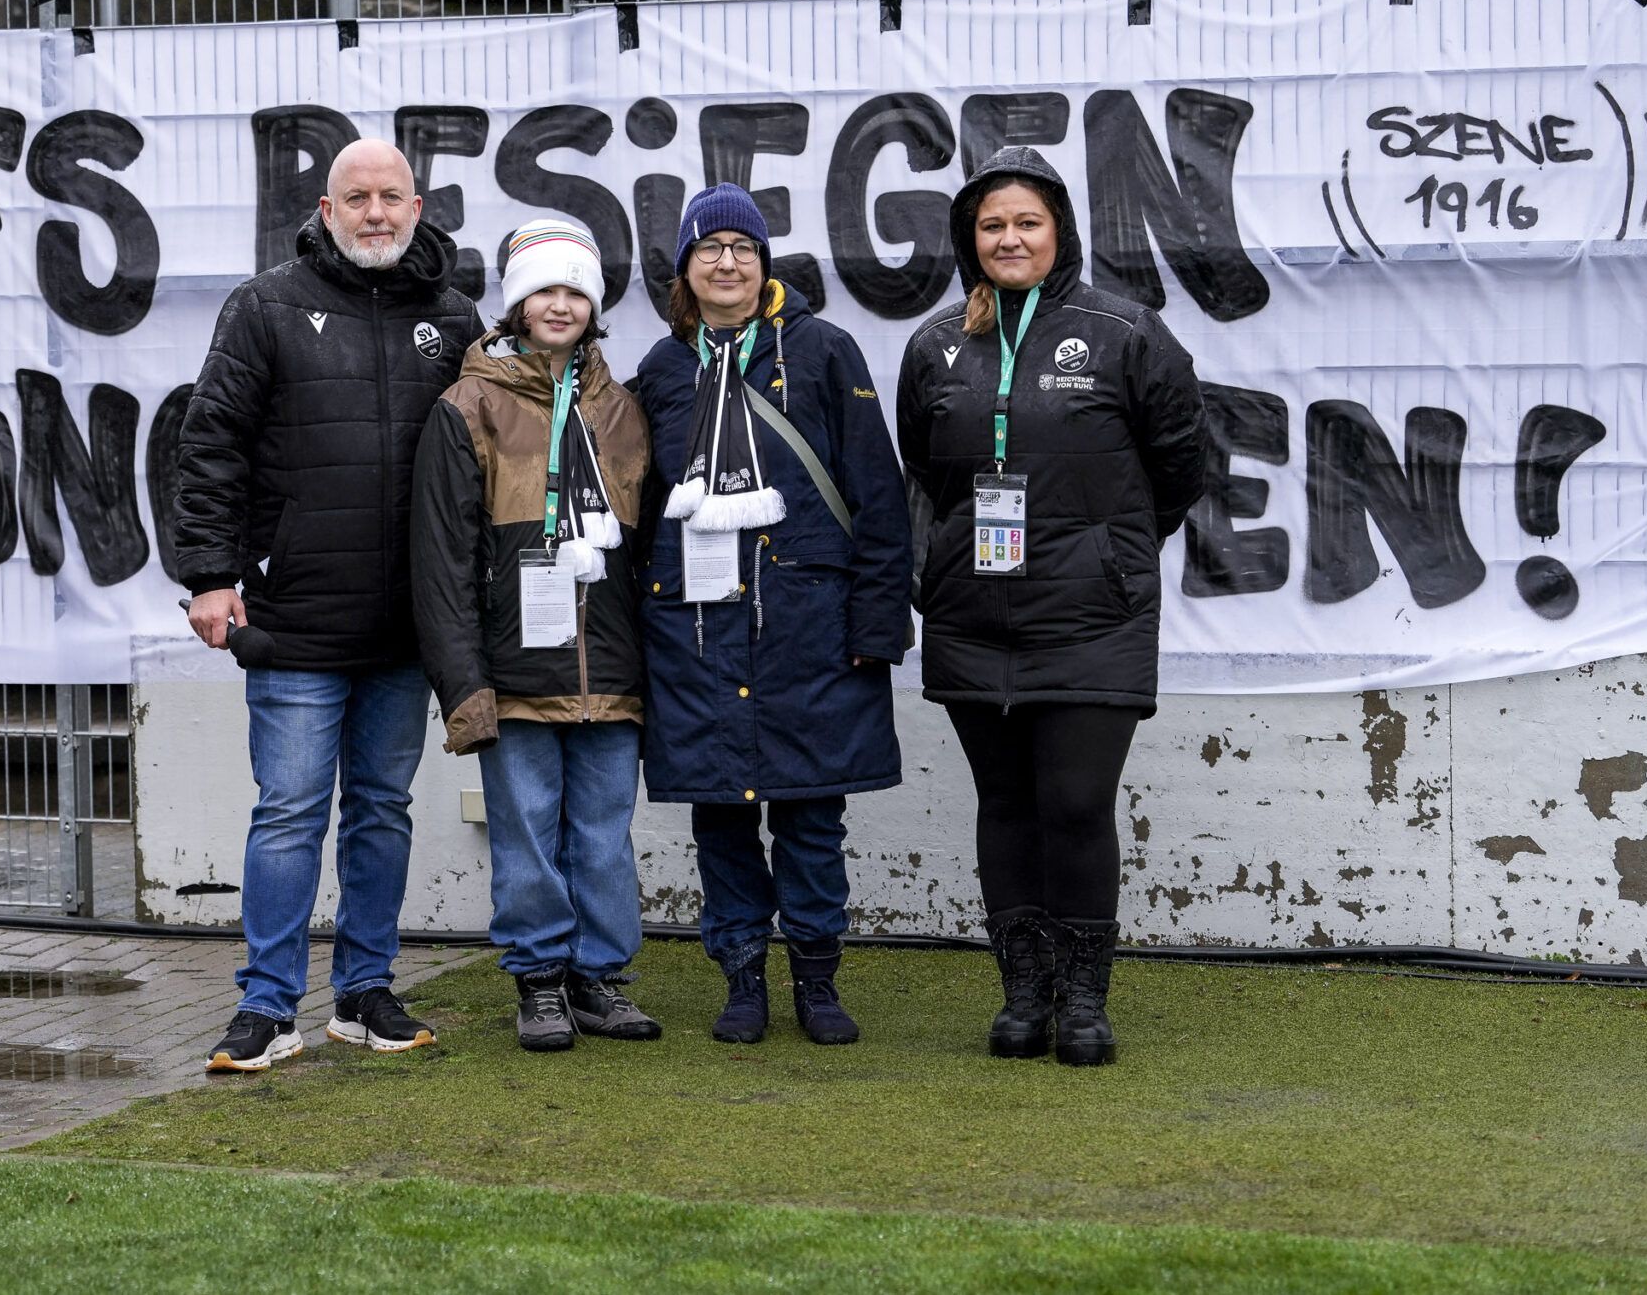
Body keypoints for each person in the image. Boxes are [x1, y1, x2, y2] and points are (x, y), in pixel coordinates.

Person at [175, 139, 484, 1073]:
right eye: (359, 198)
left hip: (403, 628)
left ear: (419, 207)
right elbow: (211, 445)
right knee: (291, 811)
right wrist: (209, 574)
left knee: (382, 809)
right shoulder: (264, 306)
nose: (377, 212)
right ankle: (269, 1008)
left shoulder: (455, 315)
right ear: (326, 206)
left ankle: (363, 993)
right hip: (295, 617)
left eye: (393, 196)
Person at [893, 148, 1204, 1068]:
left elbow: (1181, 461)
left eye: (1026, 222)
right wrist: (935, 567)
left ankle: (1083, 999)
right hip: (971, 612)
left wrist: (1113, 550)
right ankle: (1022, 994)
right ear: (969, 238)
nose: (1009, 238)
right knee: (1005, 804)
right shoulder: (937, 343)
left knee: (1073, 803)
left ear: (1059, 230)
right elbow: (923, 471)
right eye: (992, 225)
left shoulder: (1124, 332)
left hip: (1090, 613)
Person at [633, 183, 914, 1046]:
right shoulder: (659, 370)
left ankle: (818, 982)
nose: (727, 261)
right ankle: (742, 979)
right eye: (709, 248)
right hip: (699, 630)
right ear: (685, 268)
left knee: (810, 815)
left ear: (766, 264)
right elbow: (639, 514)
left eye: (743, 248)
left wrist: (876, 625)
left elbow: (878, 493)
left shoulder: (825, 352)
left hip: (811, 627)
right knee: (720, 814)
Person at [412, 219, 660, 1053]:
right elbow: (443, 559)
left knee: (601, 833)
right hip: (514, 670)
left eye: (575, 290)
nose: (560, 304)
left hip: (613, 668)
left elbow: (650, 550)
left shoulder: (625, 410)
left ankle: (597, 976)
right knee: (526, 834)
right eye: (544, 289)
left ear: (594, 304)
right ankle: (540, 978)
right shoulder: (467, 405)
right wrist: (463, 681)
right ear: (517, 303)